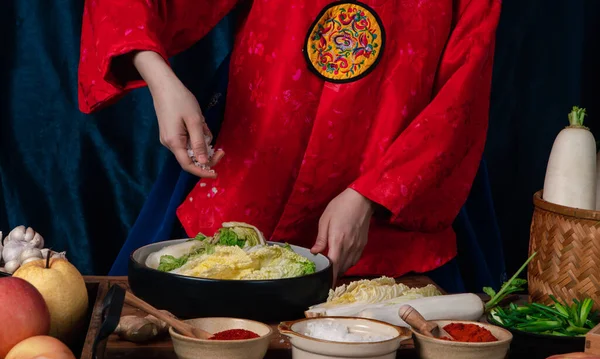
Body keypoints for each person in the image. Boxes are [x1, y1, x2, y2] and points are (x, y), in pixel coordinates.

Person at [78, 0, 501, 284]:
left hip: (387, 205)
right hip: (249, 168)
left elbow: (464, 91)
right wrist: (160, 80)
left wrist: (372, 197)